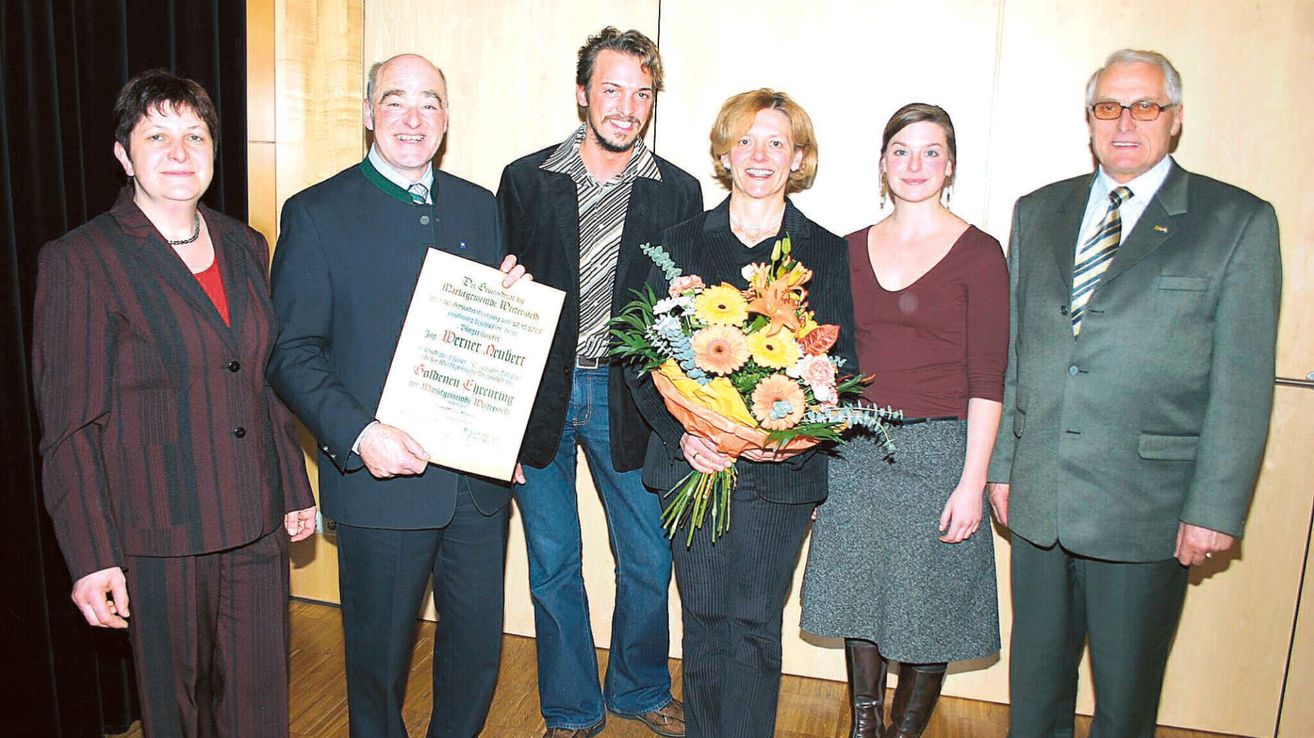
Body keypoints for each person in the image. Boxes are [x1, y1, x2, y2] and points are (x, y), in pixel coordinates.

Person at [987, 49, 1281, 737]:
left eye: (1145, 105)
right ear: (1089, 120)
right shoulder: (1039, 211)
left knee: (1124, 706)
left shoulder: (1235, 221)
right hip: (1041, 499)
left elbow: (1241, 383)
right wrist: (1004, 467)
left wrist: (1214, 508)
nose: (1126, 122)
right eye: (1108, 107)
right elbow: (1015, 357)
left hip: (1147, 510)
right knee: (1033, 697)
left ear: (1174, 120)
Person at [32, 69, 316, 737]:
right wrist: (92, 555)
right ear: (123, 155)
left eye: (195, 135)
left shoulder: (247, 244)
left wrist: (292, 483)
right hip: (158, 535)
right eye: (157, 136)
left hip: (254, 521)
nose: (180, 152)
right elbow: (69, 427)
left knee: (259, 707)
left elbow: (260, 376)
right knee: (177, 714)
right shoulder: (81, 259)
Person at [267, 53, 529, 738]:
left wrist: (510, 312)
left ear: (446, 118)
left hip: (475, 488)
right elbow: (291, 355)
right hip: (380, 487)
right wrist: (359, 434)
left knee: (475, 655)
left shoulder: (479, 205)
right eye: (395, 100)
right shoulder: (316, 213)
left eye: (430, 103)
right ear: (367, 113)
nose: (413, 118)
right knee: (377, 669)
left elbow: (487, 341)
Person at [629, 89, 858, 738]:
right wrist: (685, 433)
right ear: (725, 153)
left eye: (777, 142)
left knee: (755, 623)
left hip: (780, 478)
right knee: (701, 620)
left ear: (799, 158)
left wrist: (793, 437)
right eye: (746, 141)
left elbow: (843, 370)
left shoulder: (825, 251)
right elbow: (641, 361)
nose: (760, 155)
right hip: (695, 467)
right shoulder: (677, 246)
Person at [496, 27, 702, 738]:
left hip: (631, 399)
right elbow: (501, 293)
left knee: (647, 558)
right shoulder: (526, 178)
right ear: (582, 92)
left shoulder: (679, 191)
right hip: (541, 397)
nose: (626, 106)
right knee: (555, 564)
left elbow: (683, 309)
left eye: (642, 93)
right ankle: (572, 709)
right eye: (612, 89)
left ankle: (641, 690)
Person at [801, 103, 1008, 738]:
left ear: (950, 166)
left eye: (930, 152)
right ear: (883, 163)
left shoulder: (980, 254)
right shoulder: (847, 249)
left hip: (942, 454)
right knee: (859, 595)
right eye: (901, 152)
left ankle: (905, 730)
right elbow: (824, 357)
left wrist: (973, 483)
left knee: (929, 606)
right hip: (857, 448)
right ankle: (865, 724)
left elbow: (988, 381)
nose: (914, 165)